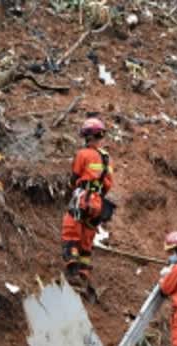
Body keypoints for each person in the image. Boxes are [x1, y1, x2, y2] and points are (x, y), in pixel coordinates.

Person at [61, 117, 115, 290]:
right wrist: (97, 195)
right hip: (98, 202)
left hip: (82, 197)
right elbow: (108, 183)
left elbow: (75, 176)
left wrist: (73, 188)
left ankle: (72, 268)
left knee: (71, 228)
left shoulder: (83, 154)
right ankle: (84, 273)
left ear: (87, 136)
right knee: (87, 236)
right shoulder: (107, 158)